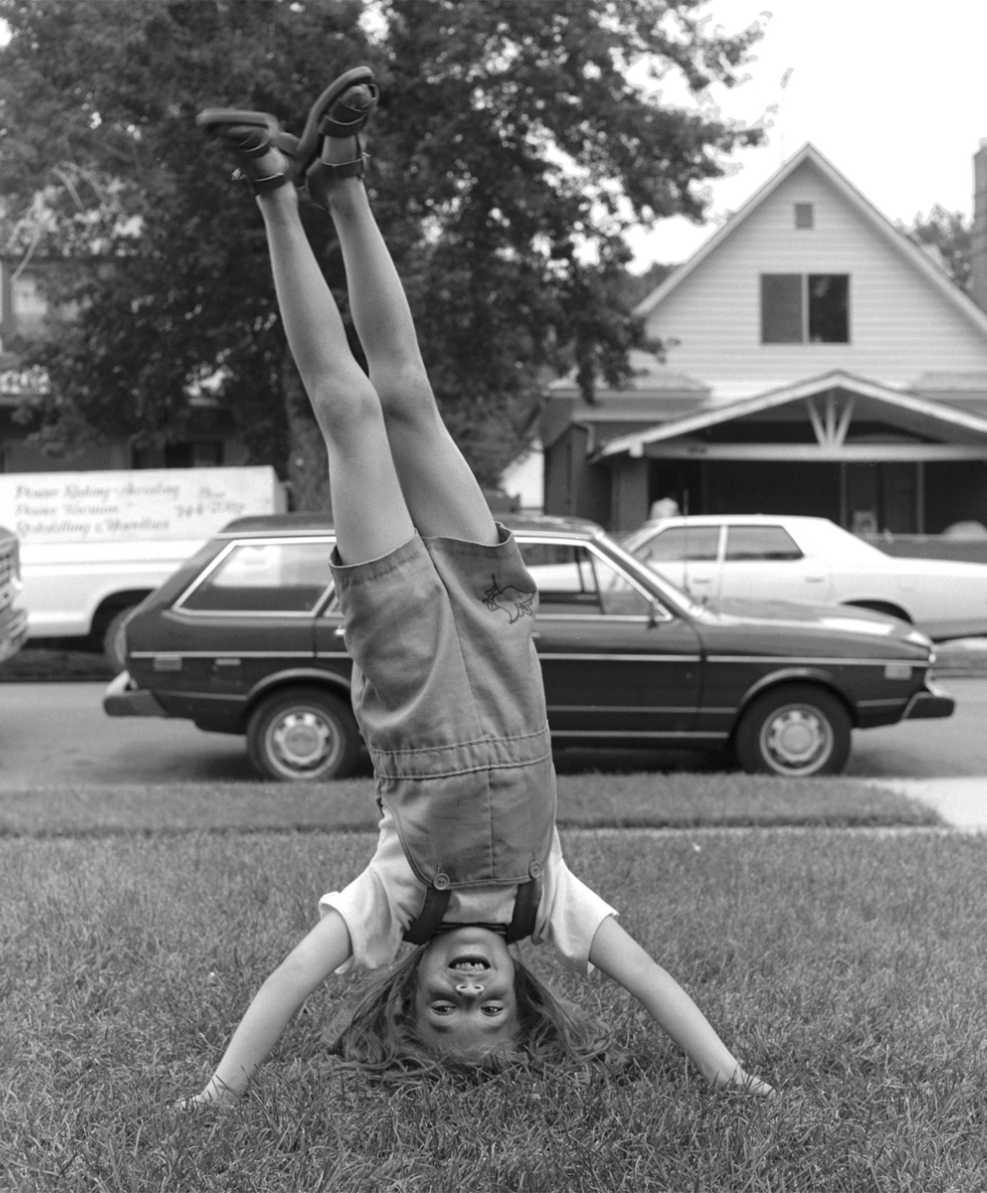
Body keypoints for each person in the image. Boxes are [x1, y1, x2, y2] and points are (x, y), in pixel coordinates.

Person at [183, 68, 772, 1104]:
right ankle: (345, 180)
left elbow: (288, 977)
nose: (467, 992)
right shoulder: (555, 905)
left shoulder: (390, 902)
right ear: (522, 989)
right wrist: (731, 1074)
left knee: (351, 413)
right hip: (500, 623)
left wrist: (221, 1091)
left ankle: (276, 187)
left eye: (443, 1008)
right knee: (411, 398)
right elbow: (648, 979)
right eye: (487, 1008)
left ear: (405, 989)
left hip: (402, 639)